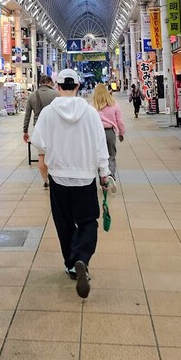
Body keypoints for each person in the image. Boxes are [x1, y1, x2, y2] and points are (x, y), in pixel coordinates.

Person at [31, 68, 110, 299]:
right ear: (77, 87)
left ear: (57, 87)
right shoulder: (91, 113)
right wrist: (104, 173)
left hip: (58, 177)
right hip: (85, 178)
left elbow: (39, 143)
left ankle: (71, 264)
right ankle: (81, 258)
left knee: (64, 223)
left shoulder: (47, 113)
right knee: (88, 222)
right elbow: (100, 146)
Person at [23, 75, 59, 188]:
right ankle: (55, 178)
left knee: (41, 156)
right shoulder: (56, 94)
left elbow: (27, 115)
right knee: (55, 154)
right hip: (54, 128)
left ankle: (45, 180)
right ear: (49, 82)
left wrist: (25, 131)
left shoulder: (32, 96)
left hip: (39, 128)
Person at [92, 84, 125, 180]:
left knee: (99, 156)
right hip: (110, 132)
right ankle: (111, 174)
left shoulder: (92, 106)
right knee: (111, 155)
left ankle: (103, 178)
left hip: (96, 134)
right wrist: (121, 133)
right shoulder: (114, 104)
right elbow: (120, 121)